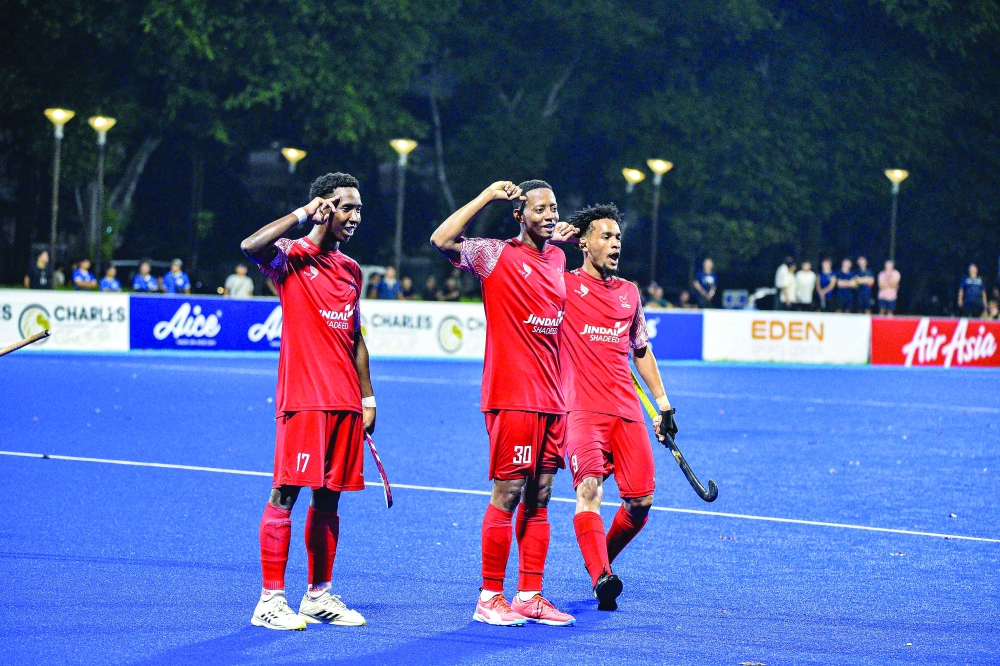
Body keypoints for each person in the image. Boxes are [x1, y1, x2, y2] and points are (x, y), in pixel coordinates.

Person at [430, 179, 576, 627]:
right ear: (519, 214)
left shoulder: (557, 257)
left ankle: (530, 594)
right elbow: (442, 239)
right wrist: (486, 196)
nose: (549, 215)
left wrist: (559, 233)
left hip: (552, 398)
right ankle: (489, 595)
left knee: (542, 495)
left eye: (553, 207)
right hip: (512, 394)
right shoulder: (495, 254)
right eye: (539, 209)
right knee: (509, 492)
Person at [241, 172, 374, 630]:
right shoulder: (292, 259)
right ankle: (269, 601)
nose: (355, 216)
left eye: (358, 208)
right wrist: (300, 215)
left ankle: (318, 595)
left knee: (329, 500)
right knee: (286, 493)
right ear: (324, 207)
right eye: (346, 207)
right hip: (304, 399)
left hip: (344, 403)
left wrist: (368, 397)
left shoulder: (352, 269)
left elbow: (357, 337)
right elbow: (250, 246)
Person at [552, 203, 674, 611]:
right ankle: (601, 576)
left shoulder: (629, 293)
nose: (615, 243)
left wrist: (663, 406)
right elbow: (531, 257)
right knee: (589, 490)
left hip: (626, 411)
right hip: (581, 411)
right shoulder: (562, 284)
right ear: (584, 244)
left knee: (640, 502)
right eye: (605, 236)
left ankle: (599, 561)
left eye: (618, 237)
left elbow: (641, 350)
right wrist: (562, 237)